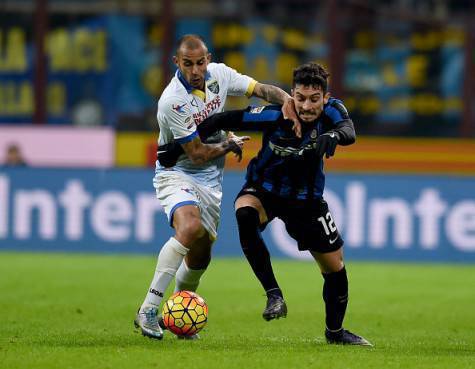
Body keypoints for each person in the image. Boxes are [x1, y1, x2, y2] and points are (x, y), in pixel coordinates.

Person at [156, 62, 371, 346]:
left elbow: (349, 130)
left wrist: (333, 135)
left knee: (335, 267)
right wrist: (175, 148)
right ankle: (274, 295)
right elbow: (219, 121)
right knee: (244, 212)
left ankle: (335, 332)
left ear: (325, 98)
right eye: (300, 98)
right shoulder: (274, 116)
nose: (306, 106)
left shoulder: (332, 112)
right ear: (292, 95)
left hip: (306, 201)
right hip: (264, 190)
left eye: (314, 99)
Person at [134, 34, 300, 340]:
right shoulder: (173, 100)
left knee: (200, 256)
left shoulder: (220, 75)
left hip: (211, 181)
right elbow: (196, 154)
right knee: (189, 227)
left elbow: (260, 90)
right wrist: (228, 144)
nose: (195, 70)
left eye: (200, 63)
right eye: (188, 64)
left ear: (207, 59)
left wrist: (288, 101)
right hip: (177, 173)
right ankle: (148, 309)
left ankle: (179, 315)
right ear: (177, 62)